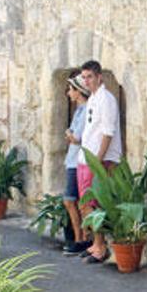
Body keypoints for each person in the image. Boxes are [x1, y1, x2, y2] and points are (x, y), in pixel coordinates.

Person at [77, 60, 123, 263]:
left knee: (95, 203)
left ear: (99, 77)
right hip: (85, 157)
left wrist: (98, 160)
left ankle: (101, 247)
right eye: (84, 77)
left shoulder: (106, 99)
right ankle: (95, 243)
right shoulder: (93, 99)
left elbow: (108, 131)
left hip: (99, 158)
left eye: (89, 77)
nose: (86, 81)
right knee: (86, 203)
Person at [62, 73, 91, 255]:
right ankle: (81, 237)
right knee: (76, 201)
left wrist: (69, 134)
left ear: (79, 92)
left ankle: (81, 238)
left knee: (70, 200)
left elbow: (76, 137)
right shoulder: (80, 111)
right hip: (73, 159)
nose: (68, 93)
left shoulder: (85, 110)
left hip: (77, 160)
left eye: (71, 89)